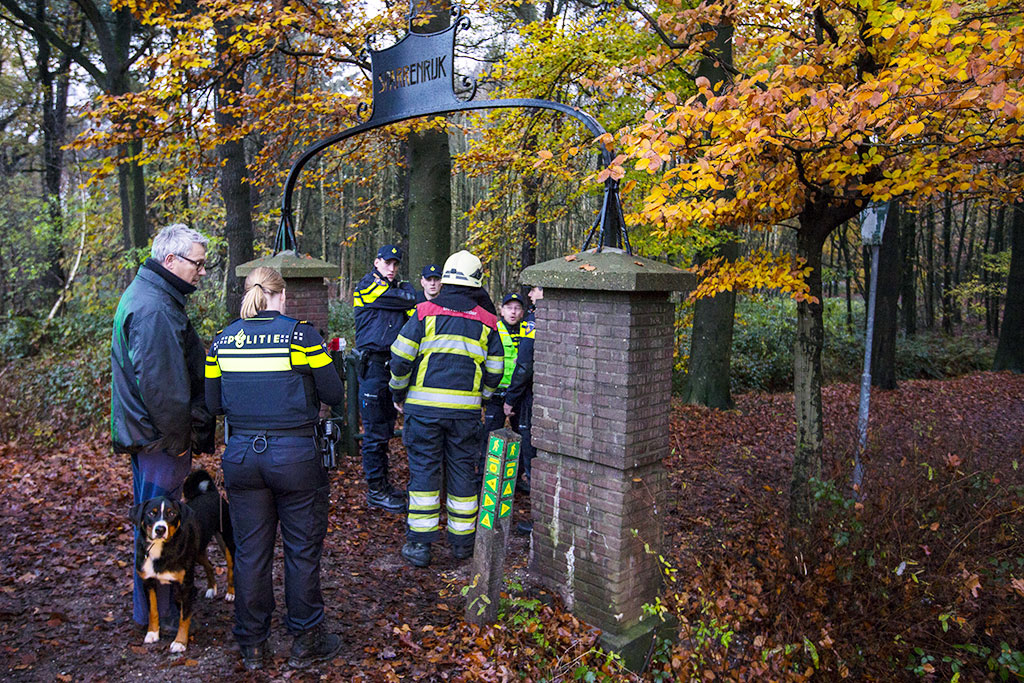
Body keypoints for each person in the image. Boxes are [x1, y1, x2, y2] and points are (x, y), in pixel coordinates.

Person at [205, 266, 344, 671]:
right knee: (300, 551)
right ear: (280, 296)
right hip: (296, 456)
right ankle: (306, 639)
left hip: (243, 456)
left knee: (250, 553)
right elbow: (333, 392)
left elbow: (214, 405)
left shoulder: (222, 340)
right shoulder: (300, 336)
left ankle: (252, 645)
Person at [111, 223, 215, 631]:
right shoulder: (154, 308)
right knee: (161, 526)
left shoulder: (153, 296)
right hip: (160, 440)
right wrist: (178, 442)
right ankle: (163, 615)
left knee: (153, 525)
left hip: (148, 436)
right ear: (170, 261)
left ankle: (154, 611)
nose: (202, 271)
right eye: (198, 263)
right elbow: (163, 387)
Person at [389, 250, 504, 568]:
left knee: (425, 472)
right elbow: (495, 370)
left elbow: (400, 358)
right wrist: (481, 398)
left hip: (423, 412)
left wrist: (398, 391)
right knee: (463, 475)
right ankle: (462, 544)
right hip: (465, 415)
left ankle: (420, 546)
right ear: (476, 280)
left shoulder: (424, 312)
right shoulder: (488, 321)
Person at [353, 245, 416, 512]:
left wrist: (408, 296)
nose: (391, 268)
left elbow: (410, 310)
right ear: (377, 262)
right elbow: (402, 300)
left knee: (386, 430)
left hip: (394, 367)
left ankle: (384, 486)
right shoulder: (367, 285)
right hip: (375, 367)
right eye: (387, 263)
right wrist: (410, 296)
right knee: (375, 433)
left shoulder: (396, 289)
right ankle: (376, 490)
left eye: (395, 264)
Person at [504, 286, 542, 499]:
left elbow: (524, 365)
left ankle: (538, 520)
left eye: (534, 289)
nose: (530, 295)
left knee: (529, 450)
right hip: (547, 394)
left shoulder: (531, 322)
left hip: (530, 395)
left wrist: (511, 399)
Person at [483, 293, 527, 436]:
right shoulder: (494, 330)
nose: (513, 312)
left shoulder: (528, 332)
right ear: (501, 311)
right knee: (490, 436)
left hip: (518, 393)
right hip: (496, 393)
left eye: (517, 308)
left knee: (520, 436)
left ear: (522, 312)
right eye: (509, 308)